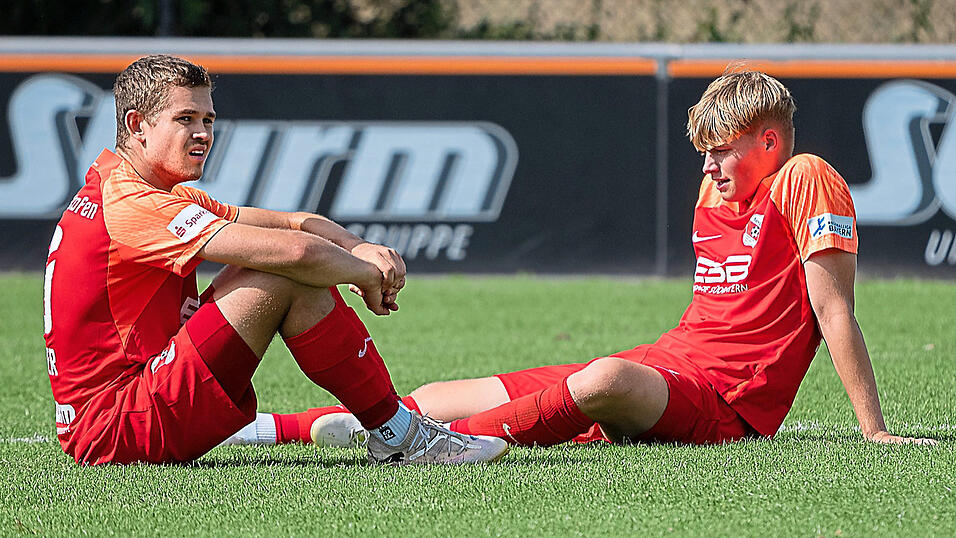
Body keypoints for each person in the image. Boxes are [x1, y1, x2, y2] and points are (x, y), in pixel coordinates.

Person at [269, 68, 936, 449]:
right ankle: (275, 432)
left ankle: (432, 444)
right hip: (672, 361)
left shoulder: (806, 177)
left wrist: (873, 432)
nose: (708, 164)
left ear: (769, 140)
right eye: (703, 149)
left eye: (722, 148)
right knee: (476, 388)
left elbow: (833, 310)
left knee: (605, 378)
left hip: (727, 405)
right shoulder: (716, 187)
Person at [42, 54, 508, 465]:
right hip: (119, 427)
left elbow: (291, 225)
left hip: (125, 407)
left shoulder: (130, 187)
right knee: (285, 273)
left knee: (279, 263)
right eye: (186, 119)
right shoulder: (133, 203)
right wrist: (367, 273)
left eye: (208, 118)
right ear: (137, 124)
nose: (203, 133)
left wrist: (357, 246)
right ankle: (402, 437)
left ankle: (396, 431)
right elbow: (295, 252)